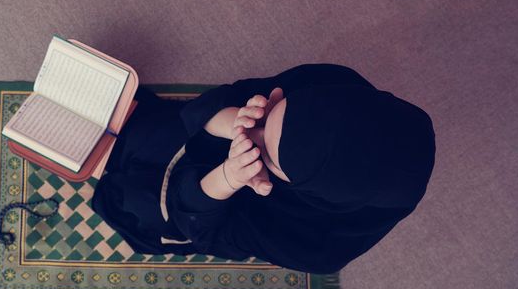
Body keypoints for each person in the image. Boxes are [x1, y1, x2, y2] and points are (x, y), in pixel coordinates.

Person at [90, 63, 435, 274]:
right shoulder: (332, 83)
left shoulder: (314, 246)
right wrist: (233, 122)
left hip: (208, 203)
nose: (246, 136)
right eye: (272, 113)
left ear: (308, 189)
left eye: (268, 152)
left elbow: (207, 232)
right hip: (205, 136)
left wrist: (229, 176)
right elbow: (233, 99)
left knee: (133, 200)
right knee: (148, 131)